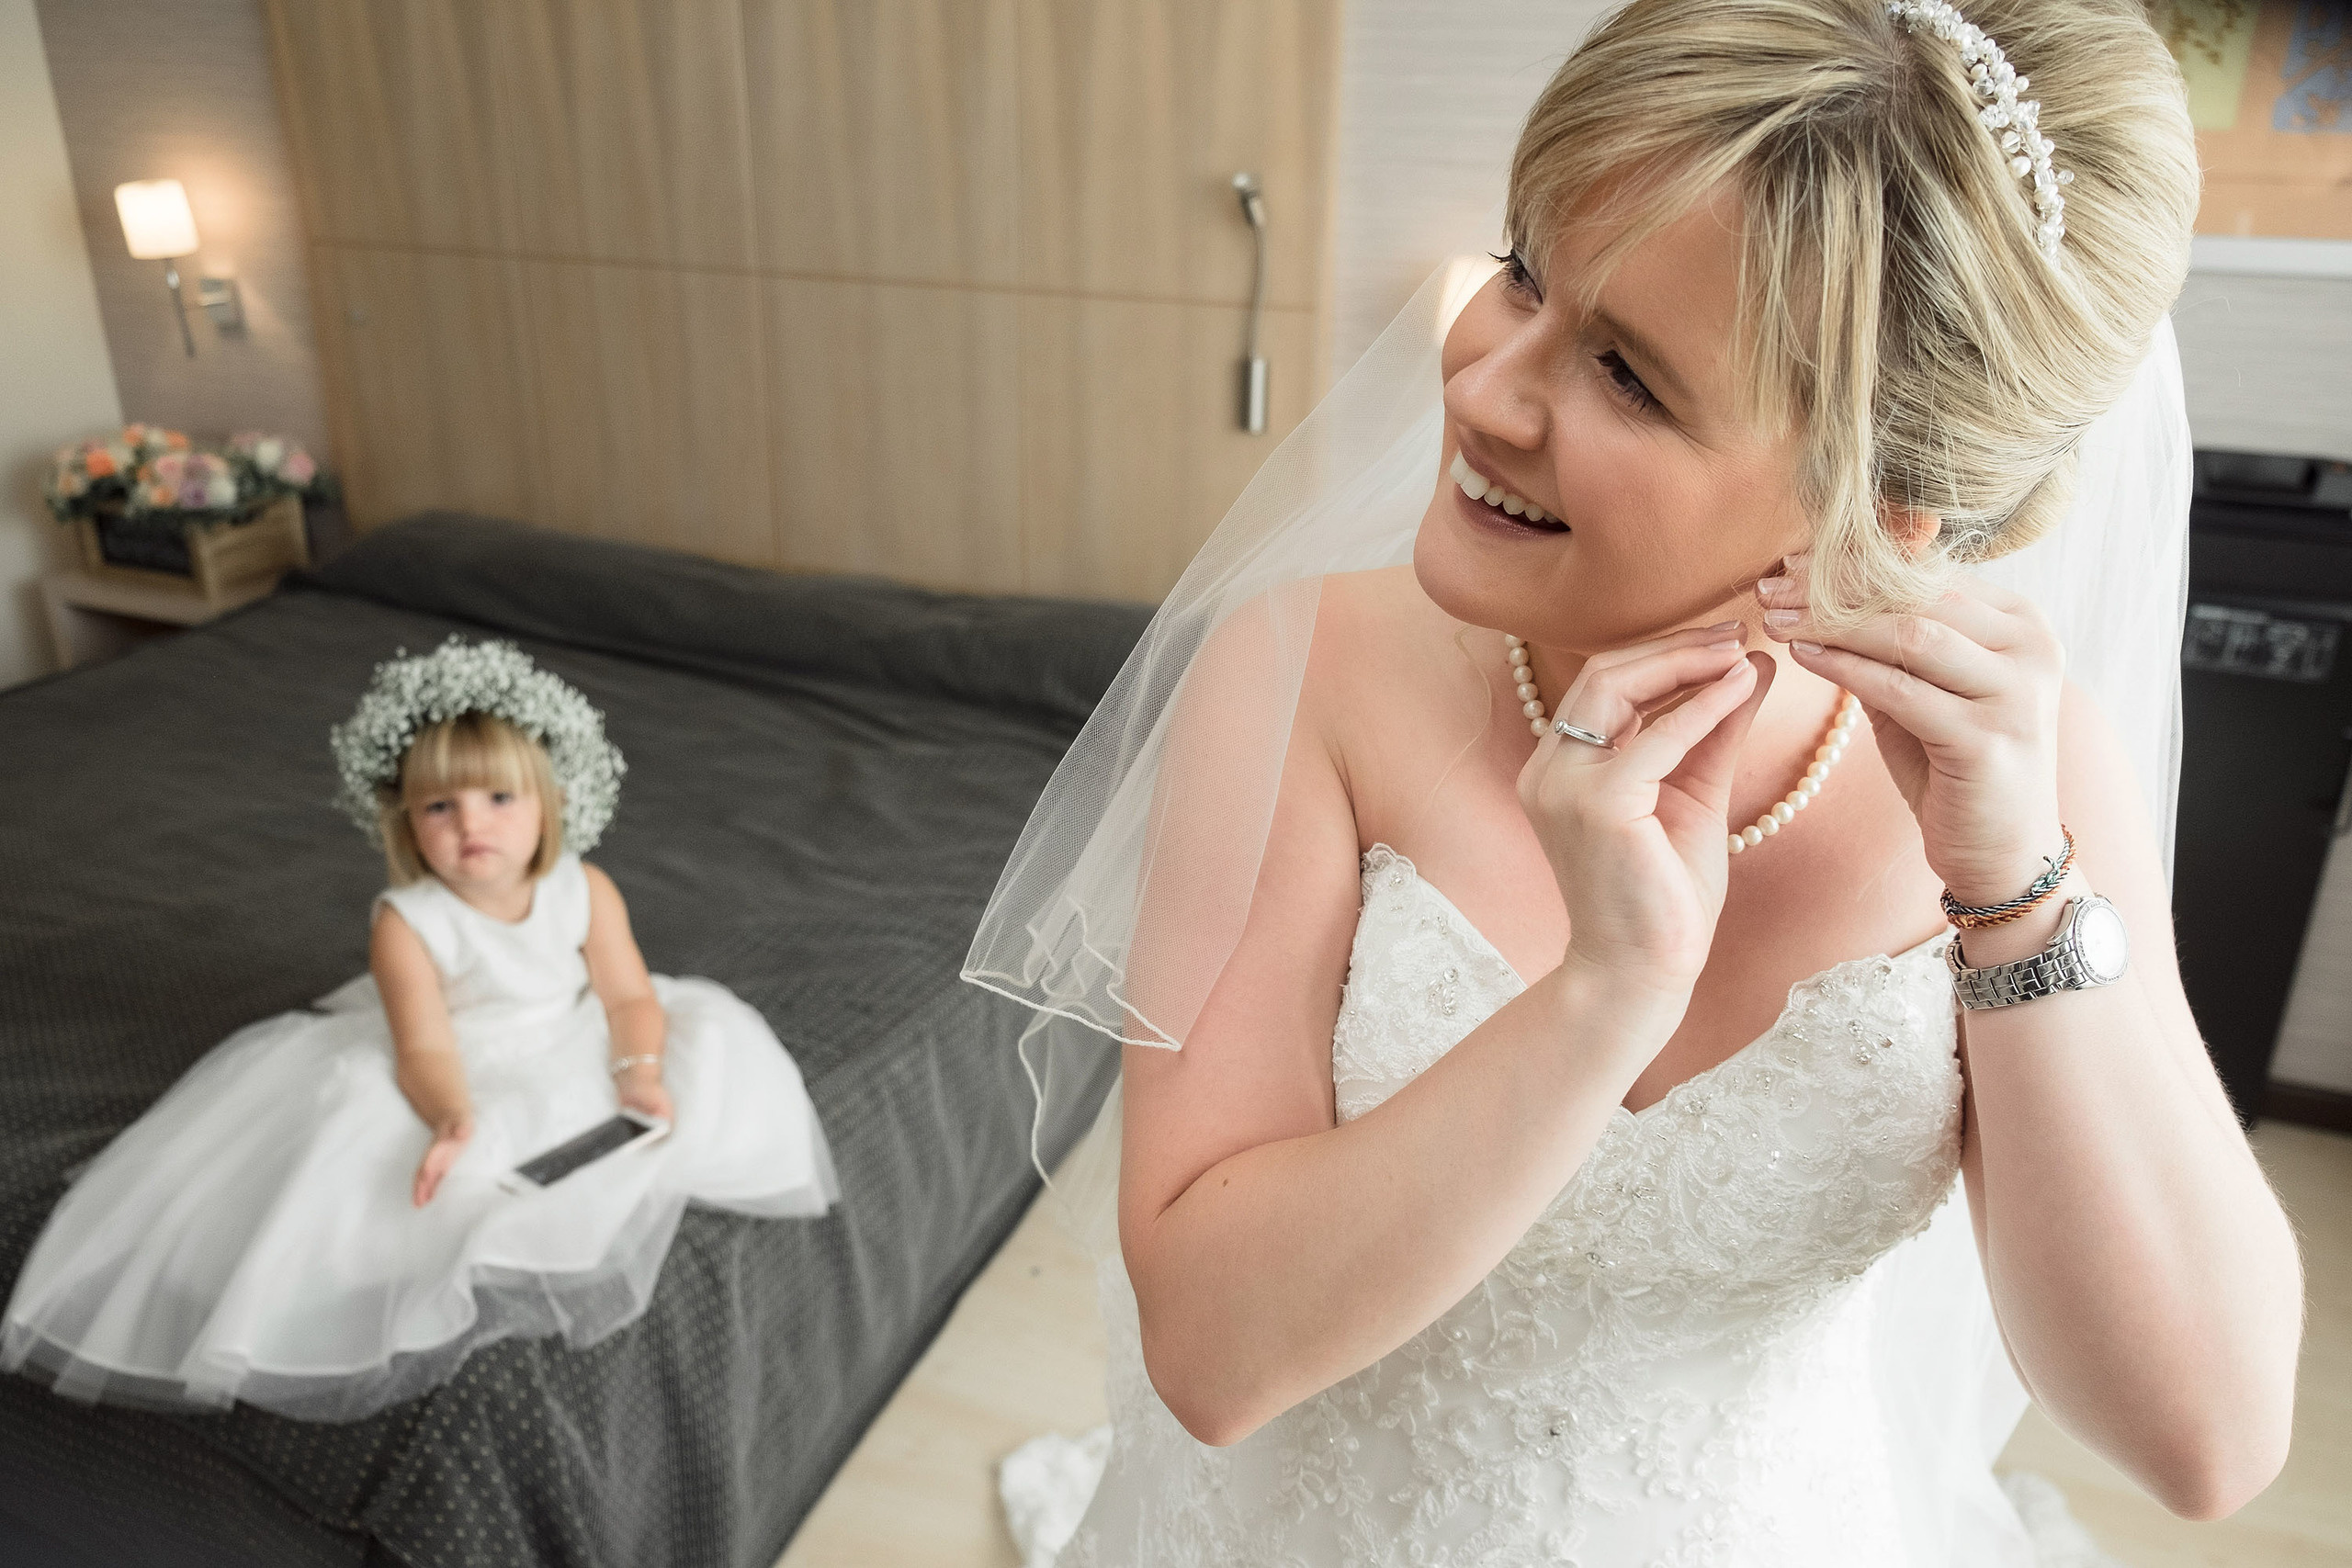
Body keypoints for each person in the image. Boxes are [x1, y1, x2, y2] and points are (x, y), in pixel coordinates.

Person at [966, 0, 2304, 1560]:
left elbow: (2205, 1440)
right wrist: (1603, 995)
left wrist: (2014, 895)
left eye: (1628, 376)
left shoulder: (2024, 767)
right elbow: (1206, 1347)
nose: (1478, 386)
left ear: (1888, 509)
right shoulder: (1298, 670)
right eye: (1525, 269)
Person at [2, 637, 837, 1422]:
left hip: (574, 1032)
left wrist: (639, 1069)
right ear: (407, 824)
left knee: (713, 1053)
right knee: (375, 1162)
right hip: (459, 1053)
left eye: (500, 798)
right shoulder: (408, 921)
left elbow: (625, 996)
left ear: (550, 805)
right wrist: (449, 1114)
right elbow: (426, 1047)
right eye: (441, 805)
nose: (472, 824)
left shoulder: (585, 888)